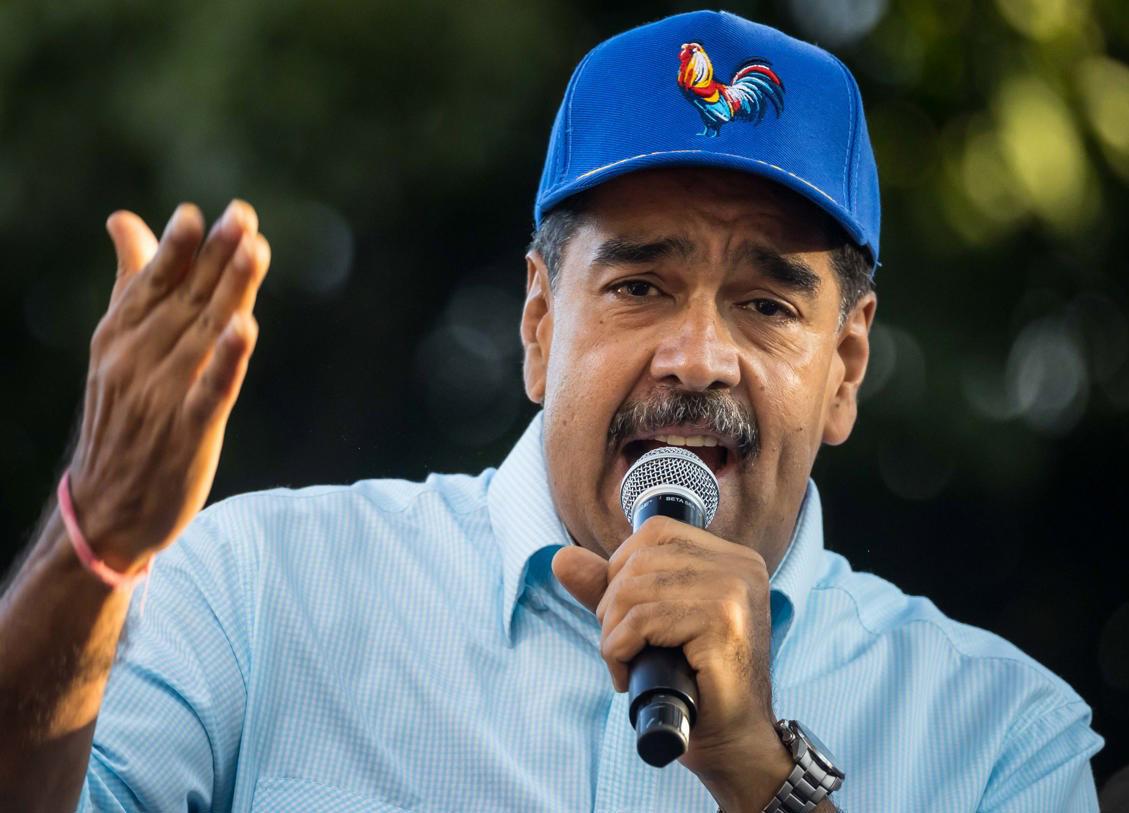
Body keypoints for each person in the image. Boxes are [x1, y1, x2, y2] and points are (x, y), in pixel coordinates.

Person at [0, 10, 1104, 813]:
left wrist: (761, 775)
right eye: (640, 286)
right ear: (537, 324)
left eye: (767, 305)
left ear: (846, 366)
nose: (697, 358)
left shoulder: (997, 735)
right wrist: (90, 546)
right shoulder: (261, 592)